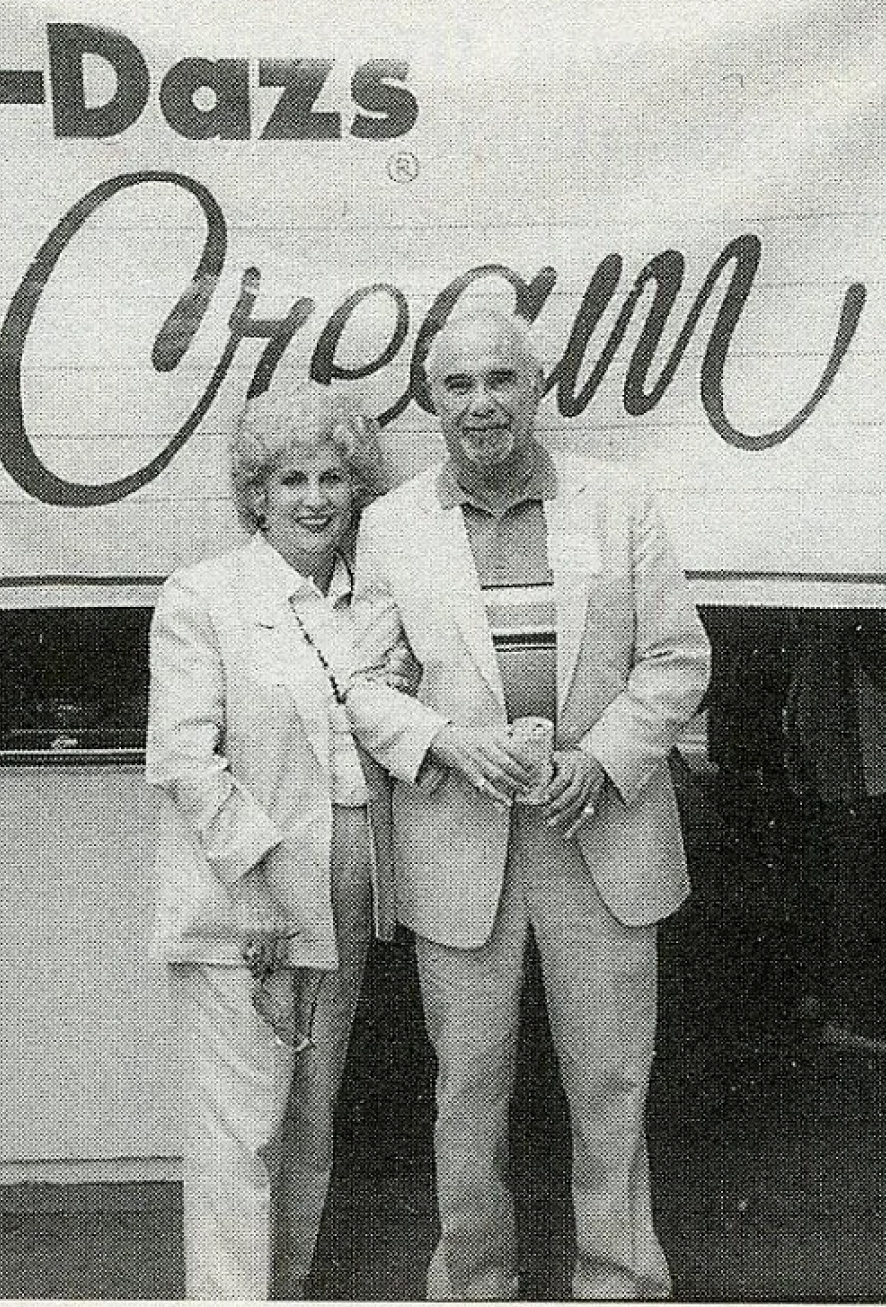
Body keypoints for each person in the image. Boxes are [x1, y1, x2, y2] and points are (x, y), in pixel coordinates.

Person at [347, 305, 711, 1299]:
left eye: (500, 380)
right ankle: (473, 1281)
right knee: (468, 1090)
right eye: (459, 386)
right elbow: (365, 685)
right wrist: (449, 746)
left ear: (535, 388)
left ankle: (618, 1276)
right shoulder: (390, 526)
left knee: (611, 1083)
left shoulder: (618, 501)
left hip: (602, 831)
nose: (482, 405)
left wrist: (602, 758)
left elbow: (677, 659)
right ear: (431, 401)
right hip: (463, 843)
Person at [146, 386, 404, 1299]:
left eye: (333, 478)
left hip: (345, 879)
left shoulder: (373, 601)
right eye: (290, 479)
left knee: (309, 1122)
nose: (313, 498)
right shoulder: (203, 596)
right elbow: (184, 759)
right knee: (239, 1129)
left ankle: (282, 1290)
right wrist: (254, 894)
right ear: (254, 494)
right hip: (242, 893)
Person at [785, 610, 886, 1050]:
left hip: (833, 719)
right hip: (855, 732)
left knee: (837, 866)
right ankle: (850, 1014)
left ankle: (825, 996)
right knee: (859, 873)